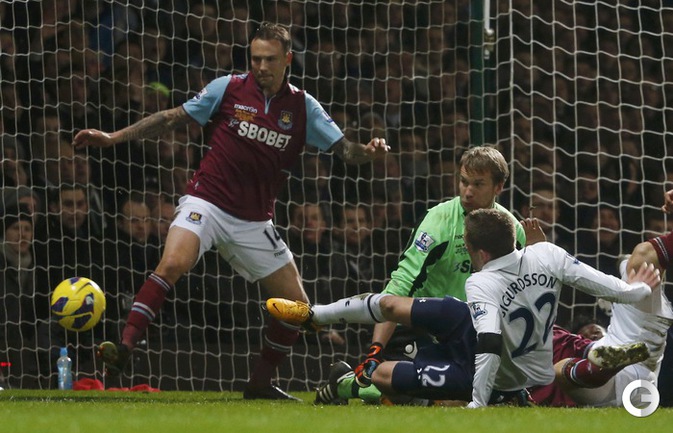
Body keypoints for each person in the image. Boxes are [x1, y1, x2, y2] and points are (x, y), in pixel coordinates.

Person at [72, 22, 389, 400]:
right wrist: (113, 137)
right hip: (207, 202)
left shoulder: (303, 108)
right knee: (172, 263)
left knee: (298, 309)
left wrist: (368, 152)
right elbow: (171, 117)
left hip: (254, 221)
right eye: (255, 58)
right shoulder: (228, 88)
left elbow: (346, 151)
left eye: (270, 59)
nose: (261, 66)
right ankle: (124, 347)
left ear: (287, 59)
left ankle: (259, 384)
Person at [264, 211, 659, 407]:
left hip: (486, 371)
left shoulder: (482, 281)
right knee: (390, 304)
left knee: (382, 372)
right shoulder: (547, 253)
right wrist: (639, 290)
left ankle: (344, 383)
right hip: (490, 337)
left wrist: (478, 401)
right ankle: (314, 315)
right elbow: (604, 284)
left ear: (479, 252)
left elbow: (488, 344)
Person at [357, 145, 526, 385]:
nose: (468, 192)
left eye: (478, 184)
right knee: (405, 386)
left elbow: (519, 293)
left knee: (462, 392)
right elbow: (401, 283)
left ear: (498, 187)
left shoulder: (511, 229)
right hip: (424, 326)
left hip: (475, 333)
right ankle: (347, 382)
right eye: (463, 182)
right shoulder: (437, 222)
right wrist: (376, 349)